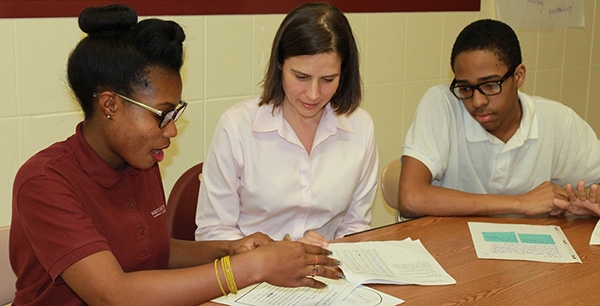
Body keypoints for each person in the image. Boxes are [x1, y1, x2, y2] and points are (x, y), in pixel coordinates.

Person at [9, 5, 342, 305]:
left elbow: (153, 253)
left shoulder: (140, 160)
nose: (171, 131)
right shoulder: (45, 182)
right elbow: (114, 295)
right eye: (162, 114)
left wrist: (228, 249)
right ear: (110, 105)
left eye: (175, 114)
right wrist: (251, 267)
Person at [195, 2, 378, 247]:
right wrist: (278, 255)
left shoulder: (360, 127)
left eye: (328, 79)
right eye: (301, 77)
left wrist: (330, 251)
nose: (313, 94)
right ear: (280, 64)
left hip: (326, 273)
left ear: (343, 73)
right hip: (253, 276)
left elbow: (354, 228)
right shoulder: (237, 126)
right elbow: (213, 233)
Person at [398, 19, 600, 219]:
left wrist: (588, 204)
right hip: (452, 246)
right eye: (465, 88)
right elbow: (411, 199)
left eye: (491, 85)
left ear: (519, 76)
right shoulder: (443, 103)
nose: (477, 101)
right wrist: (522, 203)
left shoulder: (557, 120)